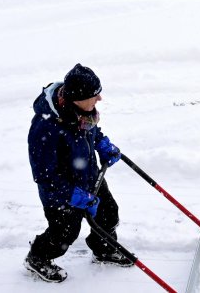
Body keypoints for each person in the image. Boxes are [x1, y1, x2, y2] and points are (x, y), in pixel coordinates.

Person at [25, 63, 132, 283]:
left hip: (89, 177)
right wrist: (73, 195)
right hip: (61, 192)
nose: (100, 99)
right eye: (94, 95)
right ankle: (38, 257)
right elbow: (44, 175)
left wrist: (102, 144)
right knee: (65, 233)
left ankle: (104, 249)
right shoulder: (46, 127)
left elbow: (91, 131)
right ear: (77, 97)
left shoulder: (83, 112)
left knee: (108, 213)